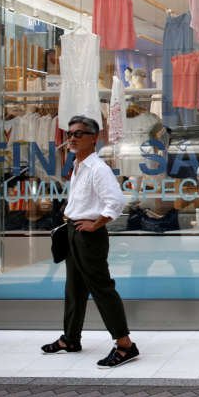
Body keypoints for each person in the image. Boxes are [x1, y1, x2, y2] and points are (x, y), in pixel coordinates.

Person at [41, 115, 140, 368]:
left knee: (102, 288)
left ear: (94, 138)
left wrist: (95, 223)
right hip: (74, 230)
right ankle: (70, 339)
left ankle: (125, 344)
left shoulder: (98, 168)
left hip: (89, 236)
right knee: (73, 289)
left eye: (79, 134)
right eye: (70, 133)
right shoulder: (77, 165)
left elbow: (116, 202)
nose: (72, 138)